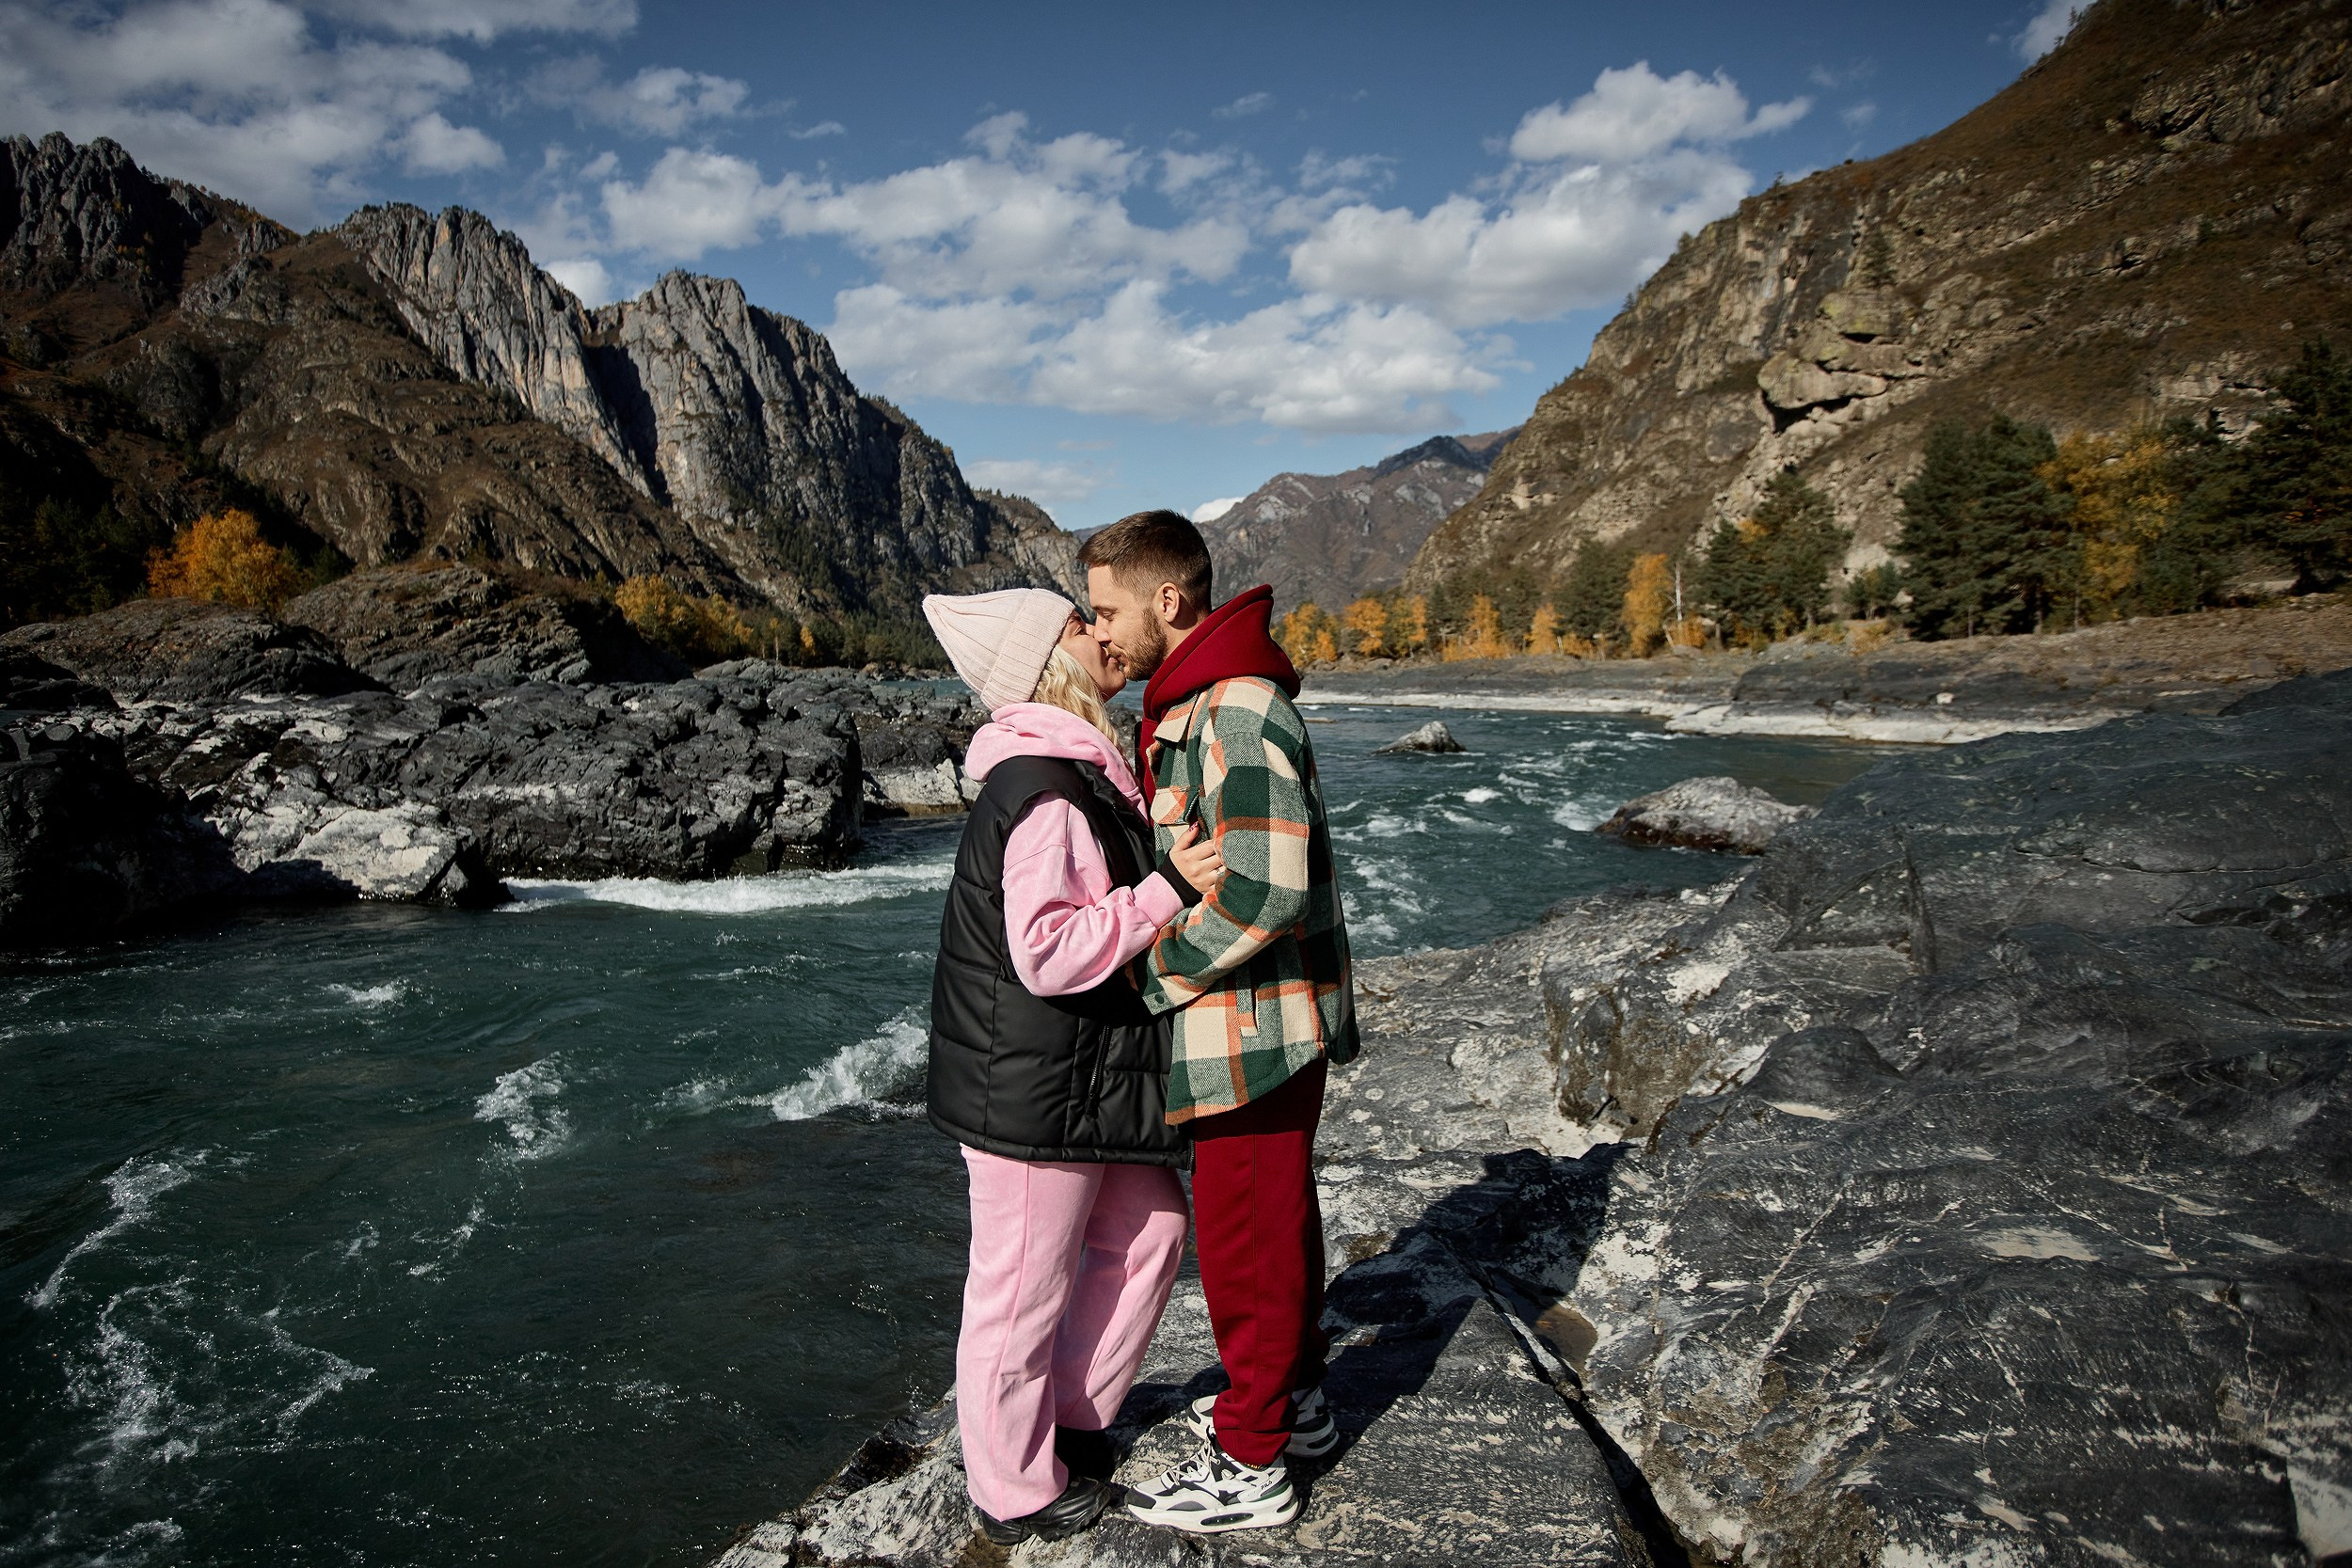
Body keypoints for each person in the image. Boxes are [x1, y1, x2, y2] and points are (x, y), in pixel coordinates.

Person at [918, 586, 1229, 1547]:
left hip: (1076, 1075)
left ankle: (1073, 1420)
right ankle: (1009, 1488)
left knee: (1148, 1228)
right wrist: (1166, 890)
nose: (1104, 630)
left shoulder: (1076, 770)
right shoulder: (1047, 790)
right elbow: (1047, 952)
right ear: (1045, 663)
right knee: (1018, 1289)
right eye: (1079, 623)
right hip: (1032, 1083)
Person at [1077, 513, 1359, 1535]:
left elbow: (1267, 887)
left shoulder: (1236, 709)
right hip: (1256, 1018)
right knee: (1272, 1222)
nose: (1100, 632)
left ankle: (1252, 1460)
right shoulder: (1203, 699)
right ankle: (1299, 1405)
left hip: (1252, 1025)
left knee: (1245, 1244)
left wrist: (1152, 973)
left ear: (1168, 601)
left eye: (1108, 610)